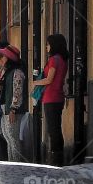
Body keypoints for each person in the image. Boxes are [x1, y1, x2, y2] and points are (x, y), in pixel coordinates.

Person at [36, 33, 69, 166]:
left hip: (51, 97)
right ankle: (58, 157)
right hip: (58, 97)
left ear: (54, 45)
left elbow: (49, 79)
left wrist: (35, 82)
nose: (47, 47)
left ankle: (56, 158)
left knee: (53, 129)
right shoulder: (63, 60)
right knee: (56, 128)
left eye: (48, 44)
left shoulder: (54, 60)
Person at [0, 45, 28, 161]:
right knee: (8, 137)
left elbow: (17, 92)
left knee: (13, 139)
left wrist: (13, 109)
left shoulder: (17, 72)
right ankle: (12, 163)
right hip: (6, 108)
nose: (0, 59)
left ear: (8, 58)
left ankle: (16, 164)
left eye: (2, 57)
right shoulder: (8, 72)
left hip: (13, 109)